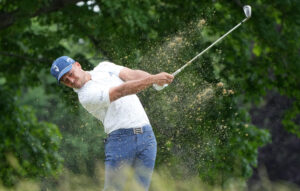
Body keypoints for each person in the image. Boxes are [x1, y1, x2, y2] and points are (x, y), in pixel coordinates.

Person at [50, 56, 174, 190]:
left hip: (147, 137)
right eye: (66, 81)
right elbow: (121, 91)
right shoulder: (85, 96)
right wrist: (153, 79)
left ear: (78, 65)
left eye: (70, 74)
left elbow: (132, 75)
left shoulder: (104, 67)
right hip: (120, 141)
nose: (71, 80)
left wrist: (156, 80)